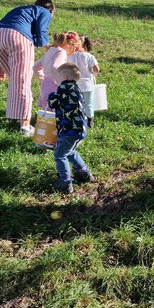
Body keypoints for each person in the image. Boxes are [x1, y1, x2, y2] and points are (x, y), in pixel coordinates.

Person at [0, 0, 55, 136]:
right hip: (18, 38)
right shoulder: (45, 12)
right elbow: (42, 31)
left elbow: (9, 27)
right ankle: (25, 126)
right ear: (52, 10)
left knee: (15, 81)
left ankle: (15, 115)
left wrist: (2, 64)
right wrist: (50, 51)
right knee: (23, 82)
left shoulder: (24, 10)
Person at [47, 63, 94, 194]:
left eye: (57, 78)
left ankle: (65, 182)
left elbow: (53, 103)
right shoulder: (75, 88)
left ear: (65, 76)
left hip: (69, 129)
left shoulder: (64, 86)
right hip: (79, 129)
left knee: (60, 154)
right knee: (70, 151)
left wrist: (51, 95)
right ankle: (84, 173)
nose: (56, 81)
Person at [33, 31, 81, 111]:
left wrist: (43, 78)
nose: (74, 51)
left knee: (46, 107)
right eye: (74, 48)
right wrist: (61, 82)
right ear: (69, 44)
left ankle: (44, 122)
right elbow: (56, 67)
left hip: (45, 83)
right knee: (55, 108)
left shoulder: (50, 51)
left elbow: (35, 67)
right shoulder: (61, 52)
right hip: (54, 84)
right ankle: (54, 123)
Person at [68, 35, 100, 127]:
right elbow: (96, 69)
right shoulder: (89, 56)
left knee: (77, 103)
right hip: (88, 84)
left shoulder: (70, 56)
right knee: (89, 103)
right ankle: (90, 121)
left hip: (75, 84)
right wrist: (93, 75)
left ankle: (77, 120)